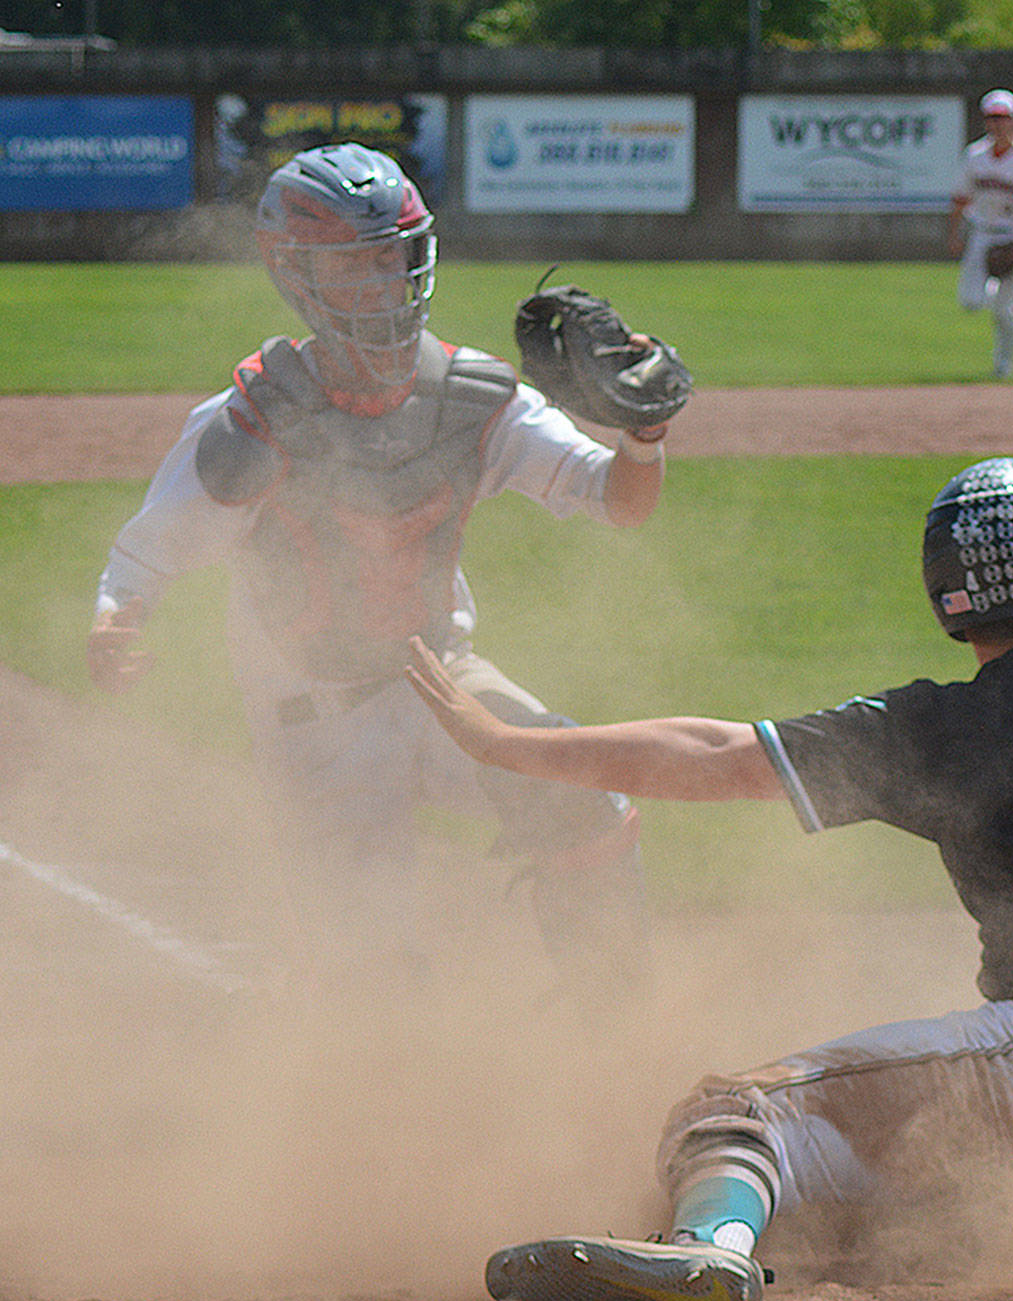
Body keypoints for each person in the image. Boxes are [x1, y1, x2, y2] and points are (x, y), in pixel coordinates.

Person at [403, 457, 1013, 1301]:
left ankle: (705, 1249)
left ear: (950, 591)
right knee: (822, 1192)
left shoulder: (962, 724)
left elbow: (718, 754)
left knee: (731, 1109)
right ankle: (746, 1233)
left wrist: (504, 744)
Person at [86, 142, 668, 990]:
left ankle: (617, 1037)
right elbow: (150, 548)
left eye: (393, 255)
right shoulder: (255, 415)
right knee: (374, 971)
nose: (384, 278)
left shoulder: (471, 394)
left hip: (440, 678)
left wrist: (643, 435)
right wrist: (117, 619)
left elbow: (617, 501)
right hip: (311, 718)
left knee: (581, 794)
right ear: (297, 274)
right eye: (355, 262)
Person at [946, 89, 1013, 379]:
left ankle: (1003, 366)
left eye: (1003, 118)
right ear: (985, 122)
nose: (998, 125)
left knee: (1004, 312)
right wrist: (955, 234)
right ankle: (996, 292)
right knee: (970, 302)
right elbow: (959, 198)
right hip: (981, 233)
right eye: (992, 118)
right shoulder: (974, 156)